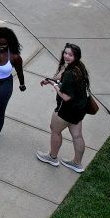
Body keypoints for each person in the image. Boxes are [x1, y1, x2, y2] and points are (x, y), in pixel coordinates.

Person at [36, 43, 92, 173]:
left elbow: (66, 97)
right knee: (77, 136)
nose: (66, 56)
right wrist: (50, 79)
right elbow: (62, 76)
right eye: (65, 53)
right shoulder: (79, 68)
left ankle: (52, 157)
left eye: (70, 54)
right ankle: (77, 164)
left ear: (76, 56)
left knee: (55, 130)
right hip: (80, 109)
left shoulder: (70, 74)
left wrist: (53, 85)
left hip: (66, 110)